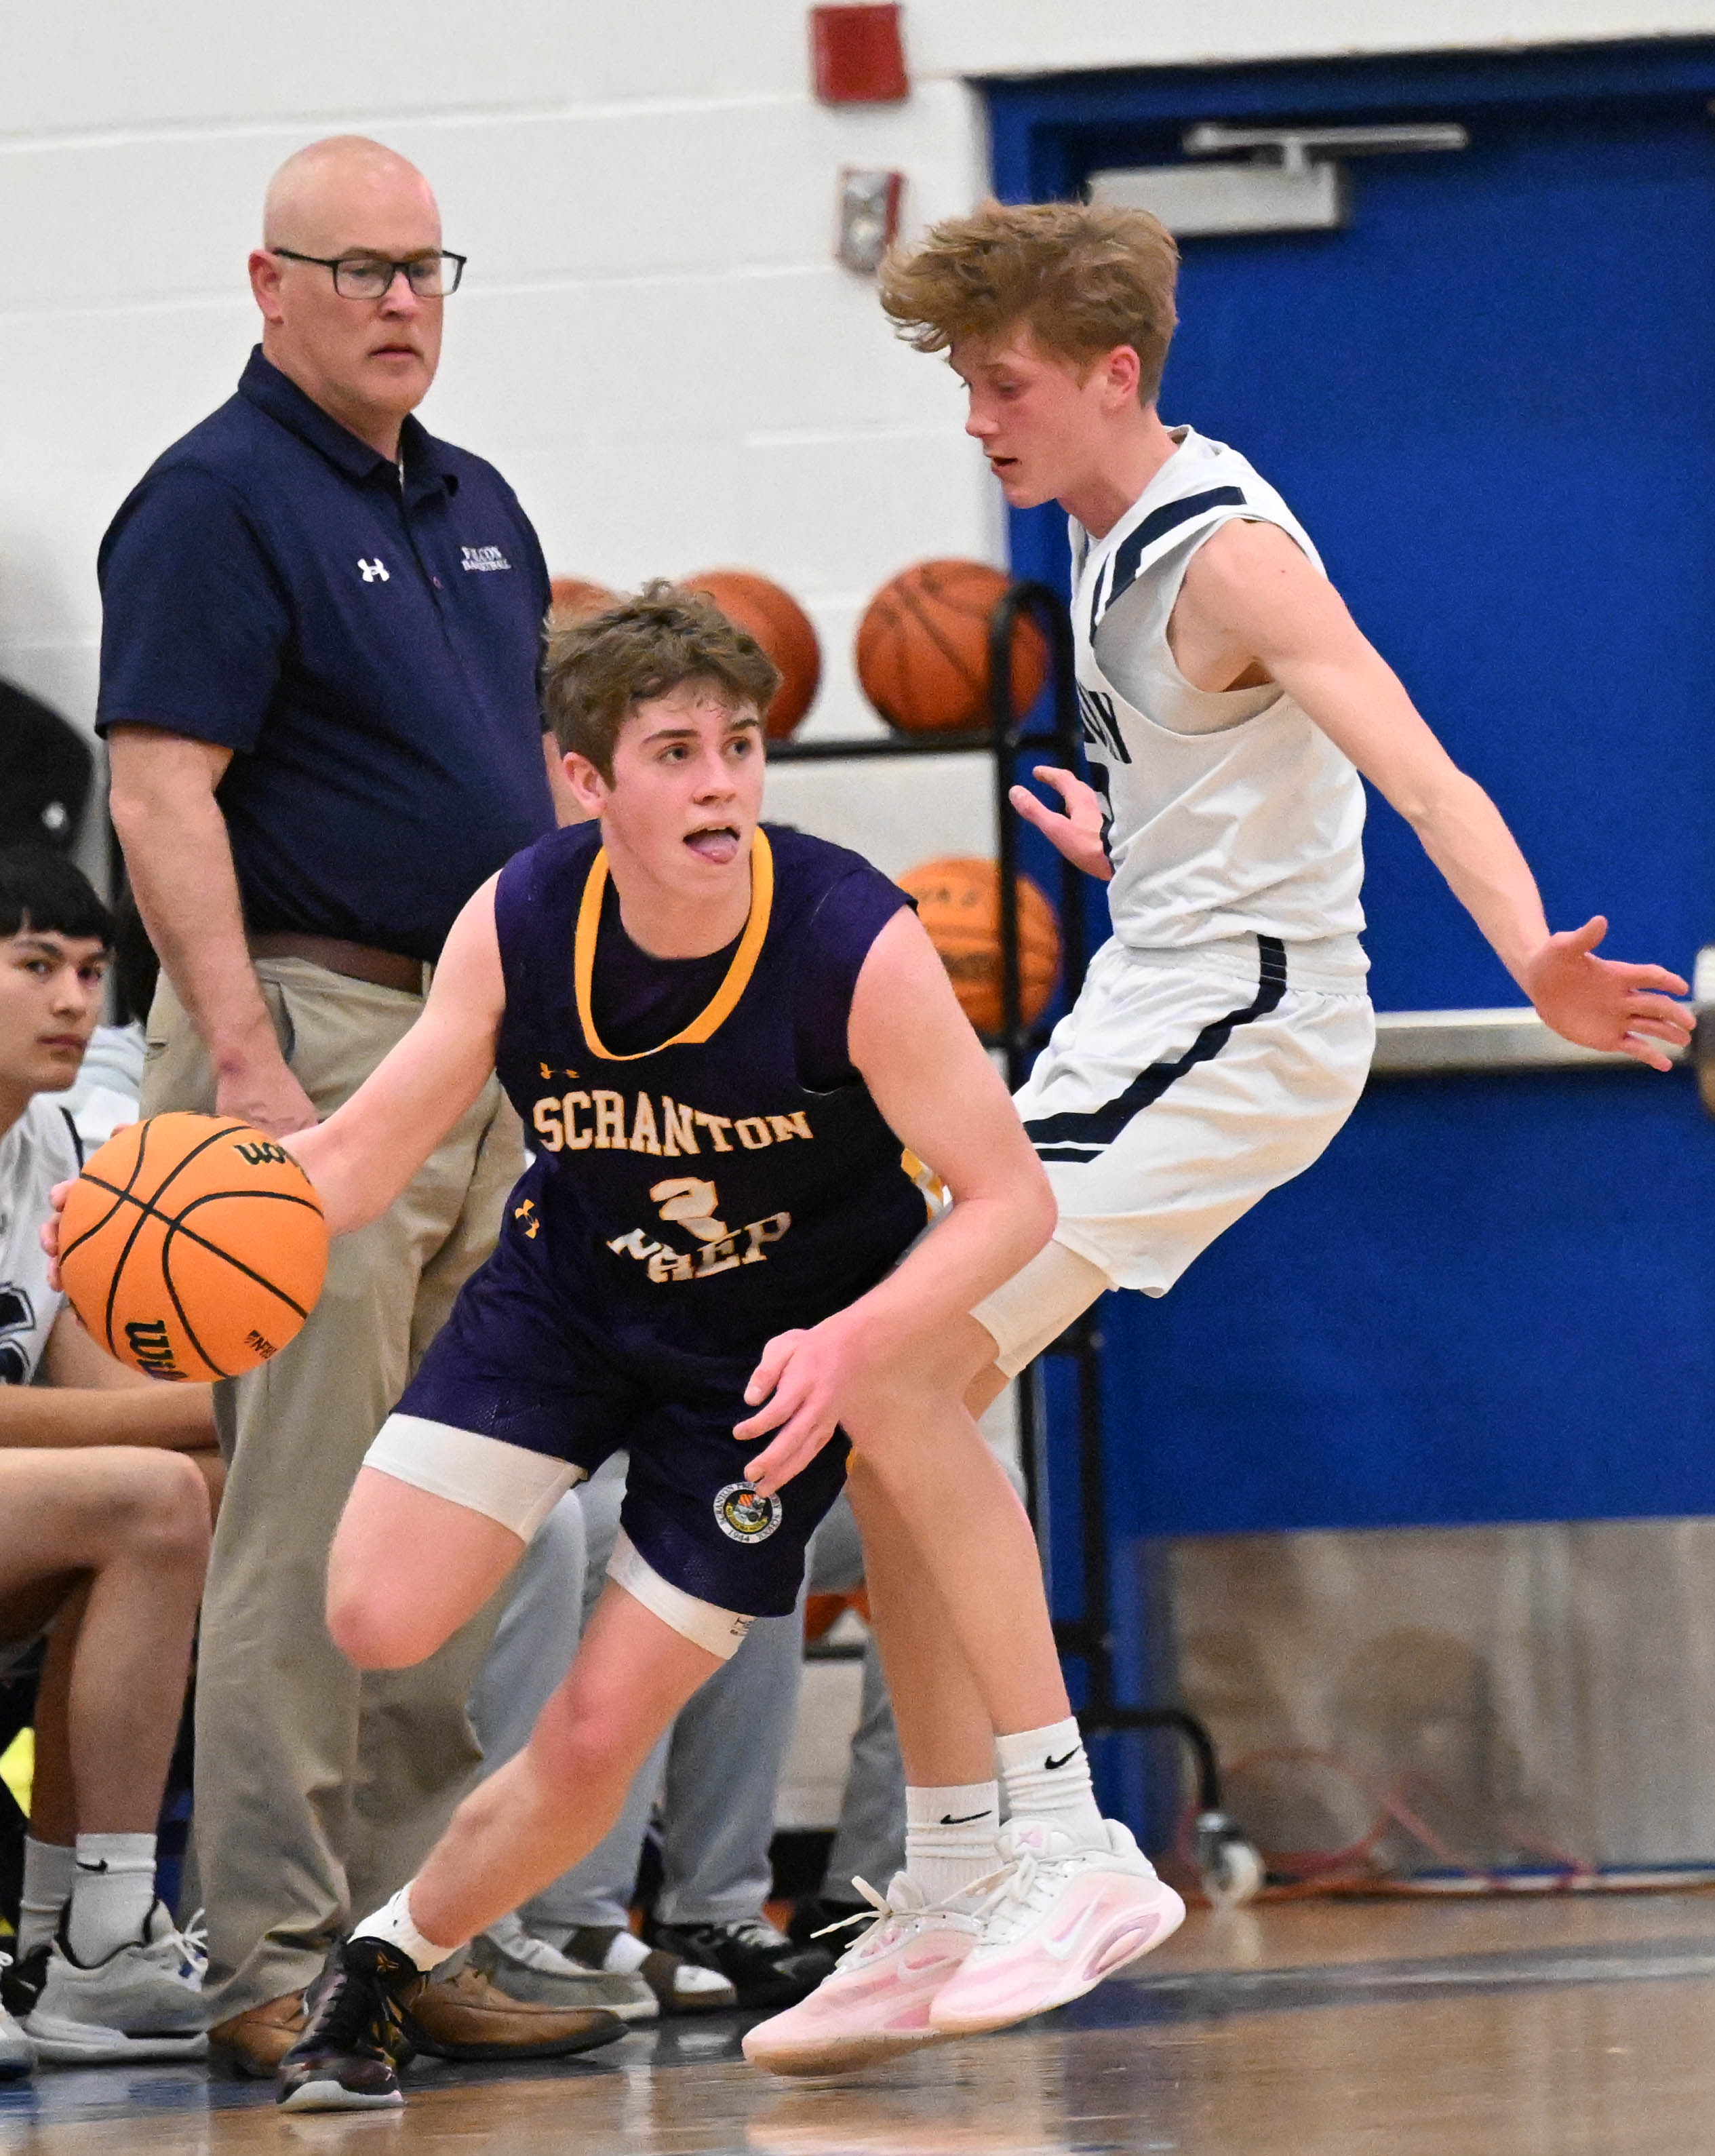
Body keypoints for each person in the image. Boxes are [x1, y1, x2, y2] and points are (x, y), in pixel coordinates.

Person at [754, 195, 1697, 2048]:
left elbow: (1415, 765)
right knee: (896, 1410)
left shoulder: (1233, 555)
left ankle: (1066, 1843)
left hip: (1245, 1029)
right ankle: (948, 1876)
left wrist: (1533, 956)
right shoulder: (1096, 523)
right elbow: (1236, 781)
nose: (976, 420)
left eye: (1003, 384)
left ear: (1113, 374)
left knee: (898, 1362)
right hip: (1151, 997)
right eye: (964, 385)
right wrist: (1142, 846)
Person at [239, 582, 1132, 2111]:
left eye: (738, 746)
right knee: (376, 1615)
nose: (720, 782)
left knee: (598, 1734)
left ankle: (380, 1963)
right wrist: (172, 1200)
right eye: (674, 753)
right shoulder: (521, 913)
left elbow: (1008, 1199)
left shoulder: (849, 934)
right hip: (568, 1308)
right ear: (584, 781)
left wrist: (855, 1343)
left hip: (762, 1374)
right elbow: (362, 1158)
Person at [94, 134, 589, 2074]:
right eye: (360, 269)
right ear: (268, 285)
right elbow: (159, 792)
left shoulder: (478, 503)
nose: (401, 301)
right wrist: (241, 1058)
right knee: (303, 1521)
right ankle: (272, 1957)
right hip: (307, 1036)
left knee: (446, 1513)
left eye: (424, 269)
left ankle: (410, 1934)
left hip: (481, 1046)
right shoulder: (212, 500)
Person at [0, 848, 213, 2071]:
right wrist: (206, 1418)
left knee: (201, 1498)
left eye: (90, 970)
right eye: (36, 965)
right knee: (157, 1489)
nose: (74, 1000)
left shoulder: (61, 1145)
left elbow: (105, 1394)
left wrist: (263, 1408)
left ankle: (76, 1947)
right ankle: (88, 1931)